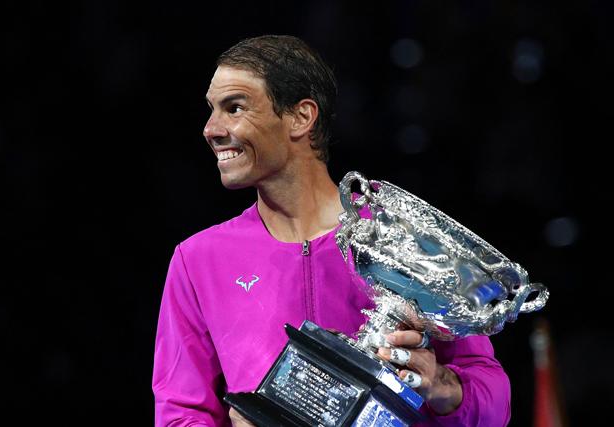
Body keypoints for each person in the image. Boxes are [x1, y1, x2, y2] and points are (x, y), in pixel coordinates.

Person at [152, 35, 511, 427]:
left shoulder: (397, 232)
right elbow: (180, 413)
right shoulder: (199, 260)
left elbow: (494, 407)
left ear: (301, 117)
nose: (211, 129)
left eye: (234, 108)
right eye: (212, 110)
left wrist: (441, 385)